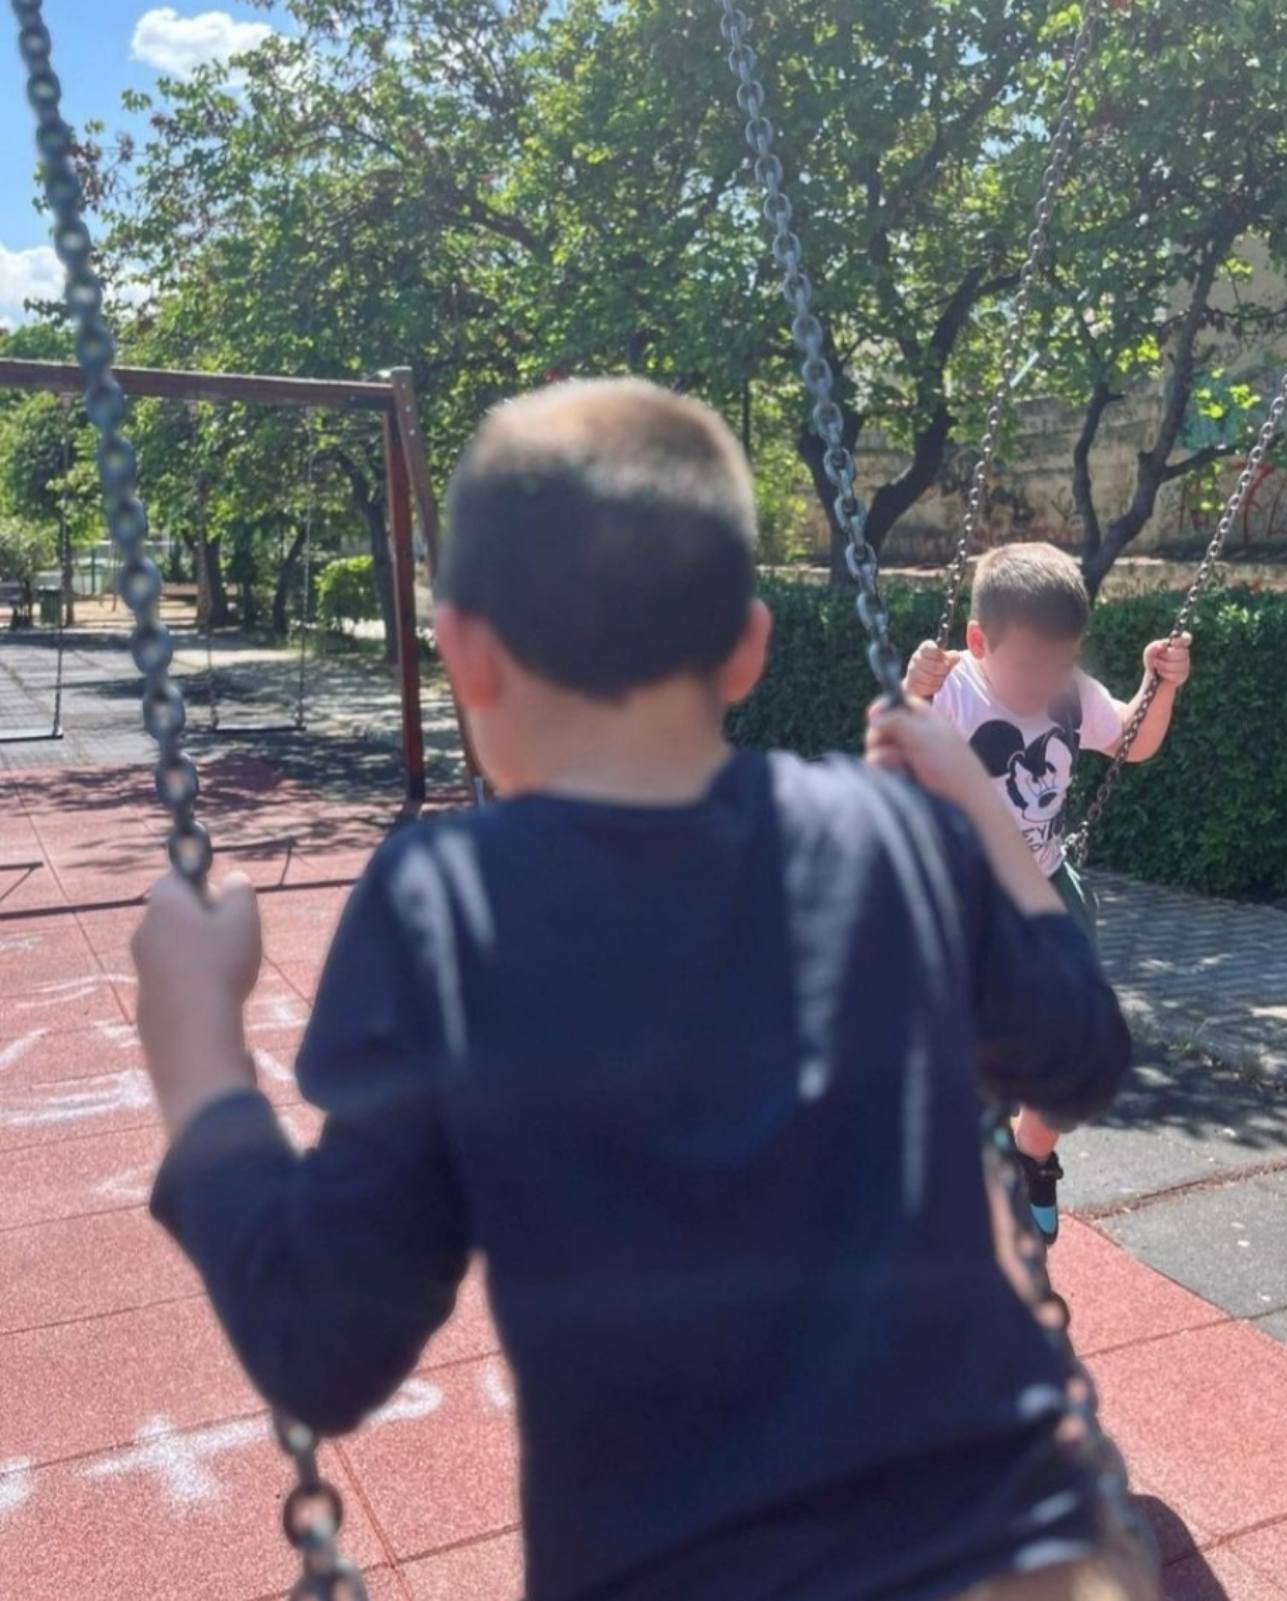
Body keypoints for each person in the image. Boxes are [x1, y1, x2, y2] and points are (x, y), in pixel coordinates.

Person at [134, 379, 1152, 1601]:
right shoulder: (888, 832)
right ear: (749, 647)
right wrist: (972, 800)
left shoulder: (447, 900)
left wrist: (196, 1042)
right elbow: (1080, 1055)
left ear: (462, 648)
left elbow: (324, 1342)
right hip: (1005, 1551)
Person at [903, 546, 1191, 1243]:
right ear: (979, 642)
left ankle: (1031, 1151)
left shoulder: (1069, 690)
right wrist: (912, 692)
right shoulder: (954, 691)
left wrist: (1161, 685)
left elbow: (1130, 740)